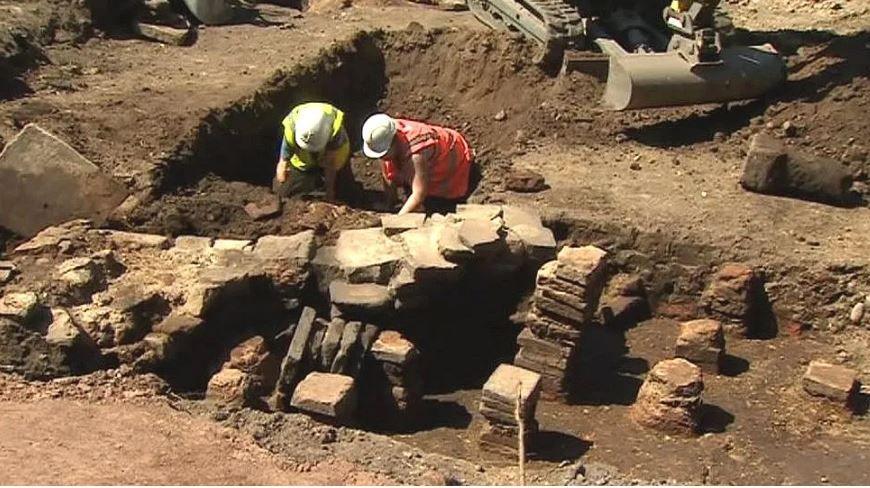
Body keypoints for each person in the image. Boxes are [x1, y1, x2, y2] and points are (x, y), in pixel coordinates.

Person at [361, 113, 474, 215]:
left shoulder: (416, 155)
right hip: (420, 155)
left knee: (425, 202)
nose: (381, 157)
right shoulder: (384, 132)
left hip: (453, 160)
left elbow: (419, 193)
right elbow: (386, 169)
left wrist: (396, 221)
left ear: (394, 141)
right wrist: (390, 202)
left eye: (383, 153)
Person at [274, 102, 355, 203]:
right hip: (303, 161)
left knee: (345, 194)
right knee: (285, 193)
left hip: (334, 159)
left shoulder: (336, 134)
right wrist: (282, 170)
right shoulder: (292, 126)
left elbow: (330, 165)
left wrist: (330, 191)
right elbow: (284, 158)